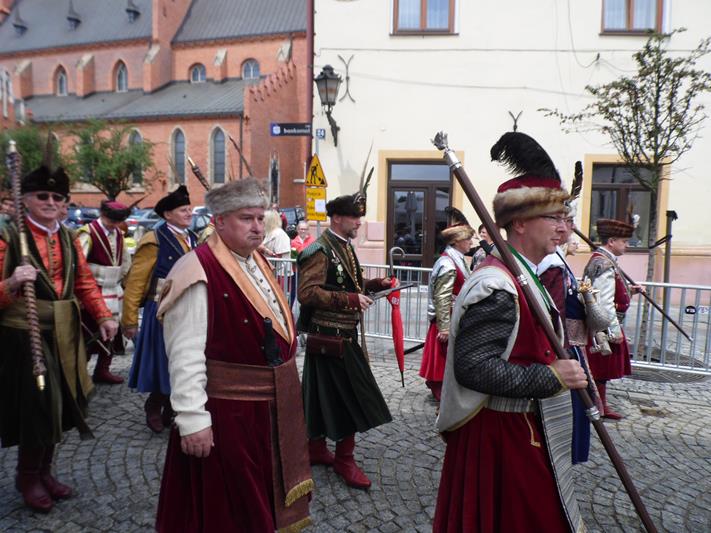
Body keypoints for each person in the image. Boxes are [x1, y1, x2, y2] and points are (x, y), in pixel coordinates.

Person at [433, 131, 587, 532]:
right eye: (553, 218)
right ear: (519, 222)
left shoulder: (525, 275)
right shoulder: (498, 286)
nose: (564, 229)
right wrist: (551, 376)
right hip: (501, 437)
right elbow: (474, 367)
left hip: (523, 430)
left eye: (565, 219)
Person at [154, 178, 312, 532]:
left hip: (264, 414)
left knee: (260, 502)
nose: (257, 227)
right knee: (227, 512)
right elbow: (185, 354)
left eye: (260, 218)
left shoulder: (255, 260)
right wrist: (193, 420)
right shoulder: (197, 270)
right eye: (246, 218)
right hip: (227, 416)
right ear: (219, 221)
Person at [0, 163, 118, 512]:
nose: (51, 202)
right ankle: (27, 476)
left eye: (57, 197)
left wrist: (103, 315)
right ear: (25, 199)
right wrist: (11, 283)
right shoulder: (9, 237)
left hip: (65, 332)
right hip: (24, 336)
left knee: (63, 405)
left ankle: (45, 471)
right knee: (38, 407)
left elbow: (83, 281)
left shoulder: (68, 237)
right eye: (42, 196)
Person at [297, 188, 394, 490]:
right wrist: (349, 300)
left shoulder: (343, 246)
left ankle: (315, 449)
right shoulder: (319, 250)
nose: (359, 222)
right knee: (349, 397)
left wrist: (375, 284)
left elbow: (349, 283)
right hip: (328, 337)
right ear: (337, 218)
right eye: (354, 217)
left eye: (360, 217)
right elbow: (307, 293)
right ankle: (344, 459)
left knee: (322, 395)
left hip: (342, 336)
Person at [123, 185, 198, 433]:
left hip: (187, 309)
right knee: (161, 362)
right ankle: (154, 405)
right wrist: (129, 320)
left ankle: (172, 406)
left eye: (190, 209)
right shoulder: (153, 240)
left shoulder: (193, 238)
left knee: (183, 361)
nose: (189, 213)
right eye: (183, 210)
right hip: (160, 311)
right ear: (167, 214)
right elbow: (136, 283)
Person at [538, 211, 607, 464]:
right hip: (564, 347)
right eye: (565, 221)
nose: (569, 228)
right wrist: (563, 351)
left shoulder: (557, 259)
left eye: (568, 221)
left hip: (573, 345)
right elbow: (554, 315)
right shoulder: (551, 265)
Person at [584, 218, 644, 420]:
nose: (627, 245)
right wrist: (613, 331)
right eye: (624, 241)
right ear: (611, 241)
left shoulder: (602, 260)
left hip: (601, 322)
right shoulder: (604, 263)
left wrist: (629, 291)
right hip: (604, 325)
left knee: (601, 369)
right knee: (601, 369)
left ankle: (600, 405)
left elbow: (606, 292)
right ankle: (598, 407)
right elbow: (603, 301)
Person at [77, 200, 133, 384]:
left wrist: (121, 279)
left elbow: (125, 260)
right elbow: (79, 264)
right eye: (111, 221)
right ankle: (80, 375)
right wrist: (79, 295)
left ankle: (102, 370)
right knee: (88, 333)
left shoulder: (119, 234)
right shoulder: (87, 233)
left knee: (113, 332)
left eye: (118, 221)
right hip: (93, 290)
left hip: (113, 289)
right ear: (102, 214)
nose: (114, 225)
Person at [419, 220, 473, 401]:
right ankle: (442, 392)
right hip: (447, 318)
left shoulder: (454, 259)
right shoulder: (448, 264)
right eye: (467, 239)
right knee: (443, 359)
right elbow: (442, 297)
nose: (470, 242)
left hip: (453, 316)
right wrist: (444, 327)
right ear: (456, 241)